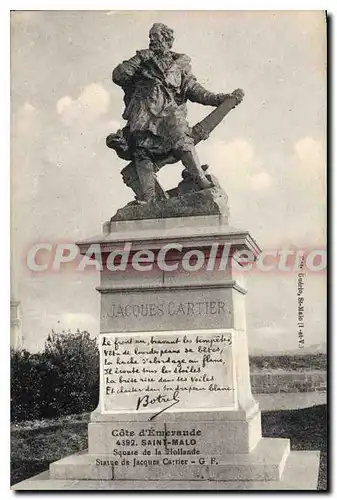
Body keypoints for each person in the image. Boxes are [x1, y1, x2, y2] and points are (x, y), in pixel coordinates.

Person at [111, 22, 237, 203]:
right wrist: (139, 59)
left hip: (169, 113)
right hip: (142, 116)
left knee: (181, 139)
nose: (152, 41)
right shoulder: (142, 62)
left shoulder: (179, 64)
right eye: (150, 37)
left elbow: (195, 91)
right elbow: (119, 75)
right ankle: (148, 199)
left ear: (167, 40)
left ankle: (200, 178)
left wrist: (220, 99)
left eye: (156, 37)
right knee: (142, 153)